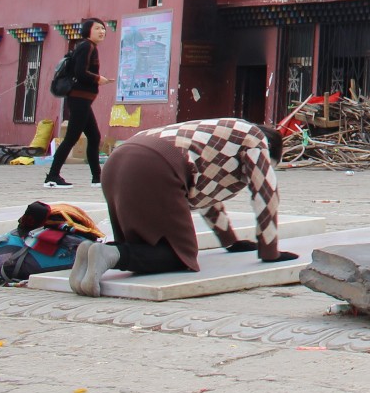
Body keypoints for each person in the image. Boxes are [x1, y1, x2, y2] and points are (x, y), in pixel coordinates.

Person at [70, 117, 299, 296]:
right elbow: (266, 193)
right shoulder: (256, 140)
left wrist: (231, 242)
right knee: (180, 256)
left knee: (147, 243)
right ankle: (110, 254)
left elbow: (209, 194)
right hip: (153, 166)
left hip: (117, 162)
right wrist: (270, 252)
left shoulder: (224, 133)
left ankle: (92, 254)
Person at [46, 17, 112, 188]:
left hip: (83, 100)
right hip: (79, 98)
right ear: (88, 30)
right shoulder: (87, 46)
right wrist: (98, 79)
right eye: (97, 28)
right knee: (72, 137)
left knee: (94, 136)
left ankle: (97, 178)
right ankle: (52, 176)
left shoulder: (87, 47)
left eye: (103, 29)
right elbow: (80, 72)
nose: (101, 31)